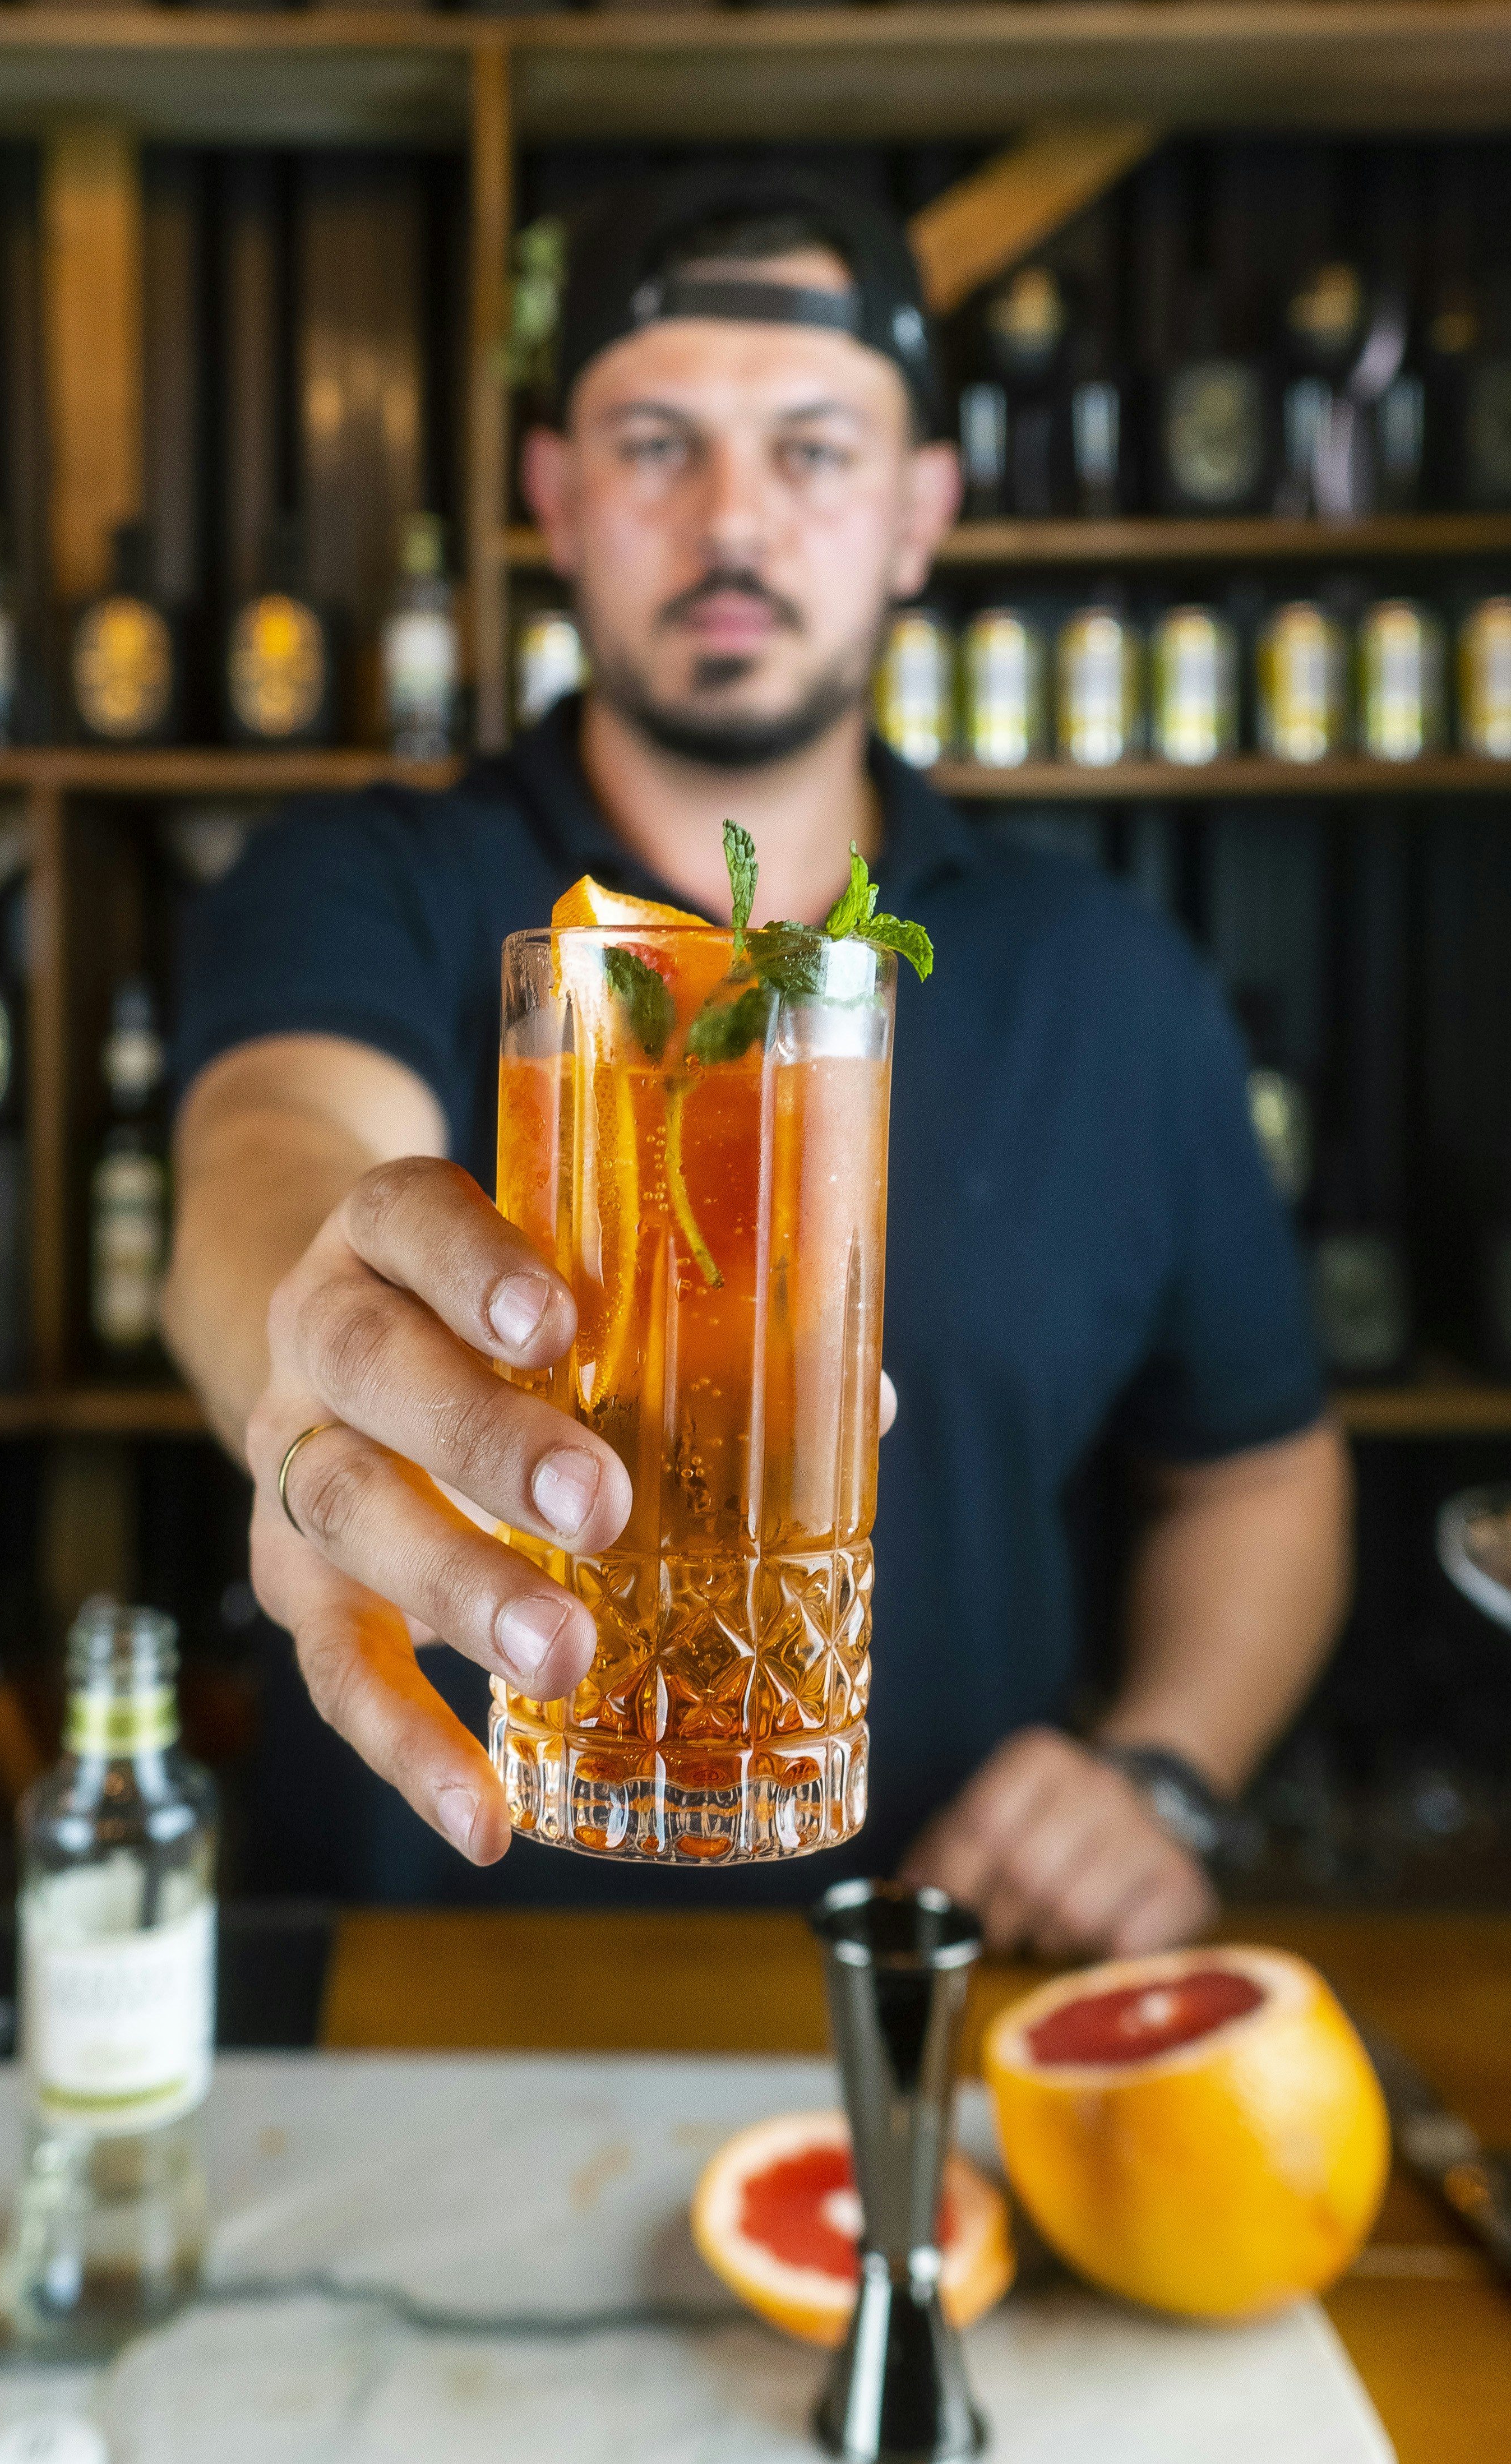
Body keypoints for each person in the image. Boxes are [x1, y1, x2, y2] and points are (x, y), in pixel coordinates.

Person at [165, 165, 1351, 1956]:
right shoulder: (376, 882)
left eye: (808, 450)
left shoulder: (1111, 973)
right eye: (655, 445)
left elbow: (1257, 1471)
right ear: (553, 498)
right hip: (432, 1986)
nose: (732, 520)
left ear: (917, 512)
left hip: (930, 1982)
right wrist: (320, 1331)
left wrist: (1163, 1769)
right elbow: (268, 1152)